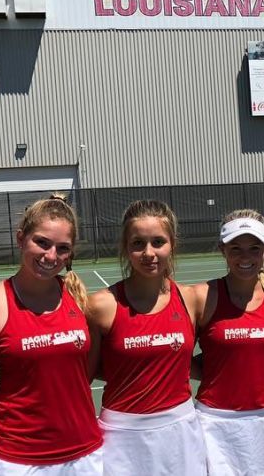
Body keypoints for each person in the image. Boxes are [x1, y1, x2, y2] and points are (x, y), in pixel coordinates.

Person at [0, 193, 103, 475]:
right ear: (21, 239)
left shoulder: (79, 300)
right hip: (17, 459)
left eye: (62, 248)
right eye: (41, 243)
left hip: (84, 454)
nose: (51, 256)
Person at [87, 199, 207, 476]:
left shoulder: (191, 300)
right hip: (122, 435)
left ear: (172, 244)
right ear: (125, 248)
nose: (148, 253)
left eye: (158, 242)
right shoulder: (102, 306)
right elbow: (83, 376)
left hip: (180, 432)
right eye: (138, 243)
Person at [192, 209, 264, 476]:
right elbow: (176, 355)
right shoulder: (202, 296)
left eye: (254, 247)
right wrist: (216, 373)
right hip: (216, 424)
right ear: (222, 249)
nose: (245, 257)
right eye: (235, 248)